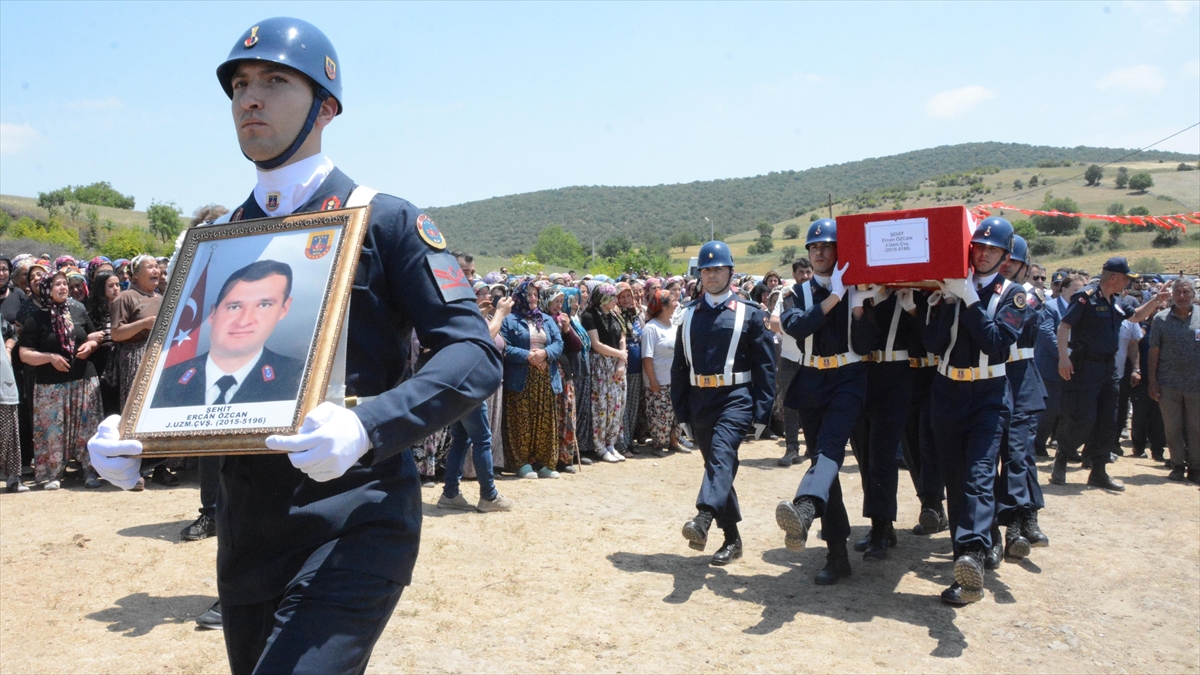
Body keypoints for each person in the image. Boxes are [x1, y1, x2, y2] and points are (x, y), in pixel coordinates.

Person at [88, 18, 502, 674]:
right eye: (241, 84)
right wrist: (135, 433)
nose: (250, 97)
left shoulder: (384, 220)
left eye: (276, 81)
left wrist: (368, 425)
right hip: (249, 533)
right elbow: (190, 368)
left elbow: (475, 354)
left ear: (326, 106)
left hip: (354, 518)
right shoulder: (217, 237)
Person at [923, 216, 1029, 605]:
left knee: (979, 476)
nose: (982, 254)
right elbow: (933, 346)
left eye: (992, 250)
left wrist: (967, 299)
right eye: (978, 247)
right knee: (954, 482)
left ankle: (972, 553)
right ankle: (965, 569)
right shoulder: (952, 288)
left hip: (988, 393)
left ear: (1005, 257)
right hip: (947, 390)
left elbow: (996, 342)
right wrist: (936, 305)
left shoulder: (1015, 295)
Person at [774, 220, 874, 583]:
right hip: (813, 379)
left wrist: (859, 306)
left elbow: (865, 344)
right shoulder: (794, 293)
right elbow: (797, 328)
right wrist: (835, 297)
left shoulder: (857, 290)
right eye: (813, 247)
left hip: (848, 376)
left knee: (829, 451)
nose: (818, 252)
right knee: (824, 466)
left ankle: (803, 509)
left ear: (838, 252)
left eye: (826, 246)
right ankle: (836, 554)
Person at [674, 240, 775, 566]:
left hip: (736, 398)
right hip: (700, 399)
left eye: (718, 268)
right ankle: (732, 539)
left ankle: (702, 518)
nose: (711, 274)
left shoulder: (749, 313)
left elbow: (765, 366)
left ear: (731, 272)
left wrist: (762, 411)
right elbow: (679, 367)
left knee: (721, 456)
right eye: (706, 269)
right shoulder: (688, 315)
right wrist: (681, 412)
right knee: (717, 467)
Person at [150, 260, 304, 408]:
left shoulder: (298, 376)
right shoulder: (165, 380)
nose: (244, 321)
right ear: (212, 314)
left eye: (264, 305)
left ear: (284, 309)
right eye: (234, 307)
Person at [1051, 258, 1140, 492]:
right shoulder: (1085, 296)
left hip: (1108, 369)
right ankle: (1062, 458)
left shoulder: (1116, 301)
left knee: (1107, 421)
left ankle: (1098, 471)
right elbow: (1064, 326)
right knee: (1082, 417)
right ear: (1113, 277)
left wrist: (1159, 301)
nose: (1127, 283)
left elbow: (1137, 317)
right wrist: (1063, 357)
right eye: (1125, 278)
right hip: (1086, 367)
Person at [17, 271, 104, 489]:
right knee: (52, 431)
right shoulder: (36, 318)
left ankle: (90, 471)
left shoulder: (78, 309)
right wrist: (50, 358)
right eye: (57, 284)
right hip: (50, 385)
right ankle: (54, 473)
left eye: (65, 283)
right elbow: (24, 353)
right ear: (47, 288)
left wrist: (91, 345)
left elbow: (94, 335)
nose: (63, 288)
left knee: (87, 427)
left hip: (84, 380)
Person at [993, 235, 1049, 563]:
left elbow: (1016, 322)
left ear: (1025, 267)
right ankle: (1011, 523)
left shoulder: (1030, 297)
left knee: (1019, 454)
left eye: (1012, 262)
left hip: (1021, 379)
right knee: (993, 458)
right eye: (1003, 260)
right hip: (994, 377)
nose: (1006, 267)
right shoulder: (985, 292)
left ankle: (1021, 520)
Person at [500, 279, 564, 479]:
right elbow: (505, 347)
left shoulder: (546, 319)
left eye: (535, 294)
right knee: (521, 421)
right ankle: (521, 463)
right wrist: (529, 356)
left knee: (544, 420)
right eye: (528, 294)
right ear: (519, 296)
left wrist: (544, 354)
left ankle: (545, 463)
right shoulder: (509, 320)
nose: (533, 298)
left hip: (545, 377)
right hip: (521, 379)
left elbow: (558, 343)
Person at [1148, 277, 1200, 483]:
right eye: (1178, 292)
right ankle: (1177, 464)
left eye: (1186, 292)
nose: (1182, 296)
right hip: (1168, 383)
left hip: (1196, 384)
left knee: (1196, 428)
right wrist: (1152, 380)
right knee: (1173, 427)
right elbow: (1154, 351)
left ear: (1193, 294)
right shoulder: (1160, 319)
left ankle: (1196, 467)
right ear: (1172, 295)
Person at [1035, 272, 1085, 457]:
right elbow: (1046, 333)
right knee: (1050, 409)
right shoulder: (1050, 307)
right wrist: (1064, 355)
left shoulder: (1081, 309)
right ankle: (1038, 443)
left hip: (1074, 367)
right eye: (1076, 290)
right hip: (1051, 367)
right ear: (1063, 289)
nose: (1080, 294)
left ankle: (1066, 448)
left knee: (1070, 410)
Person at [769, 259, 811, 466]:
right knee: (790, 404)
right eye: (801, 272)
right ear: (794, 275)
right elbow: (773, 323)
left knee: (814, 403)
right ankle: (792, 447)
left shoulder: (818, 292)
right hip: (789, 357)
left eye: (808, 271)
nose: (805, 276)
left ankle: (814, 445)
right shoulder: (787, 295)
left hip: (813, 357)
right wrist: (800, 326)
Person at [581, 283, 627, 462]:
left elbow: (622, 336)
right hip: (601, 364)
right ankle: (599, 446)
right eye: (613, 297)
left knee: (617, 404)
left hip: (617, 363)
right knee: (602, 405)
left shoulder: (615, 314)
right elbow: (596, 344)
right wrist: (619, 354)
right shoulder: (589, 316)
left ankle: (611, 443)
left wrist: (621, 361)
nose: (616, 300)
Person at [110, 255, 162, 409]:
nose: (156, 271)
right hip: (136, 358)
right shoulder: (125, 298)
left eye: (156, 266)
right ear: (136, 275)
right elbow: (116, 334)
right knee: (137, 407)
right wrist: (144, 324)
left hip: (159, 356)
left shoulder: (161, 298)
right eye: (150, 267)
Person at [543, 284, 582, 473]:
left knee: (567, 415)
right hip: (550, 372)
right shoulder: (542, 320)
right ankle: (550, 458)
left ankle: (565, 458)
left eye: (561, 301)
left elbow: (577, 345)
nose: (558, 305)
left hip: (565, 373)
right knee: (553, 416)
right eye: (555, 302)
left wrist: (567, 329)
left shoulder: (564, 319)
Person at [641, 288, 682, 456]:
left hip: (675, 378)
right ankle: (658, 445)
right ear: (663, 306)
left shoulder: (674, 325)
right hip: (660, 380)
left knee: (676, 414)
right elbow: (647, 357)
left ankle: (674, 441)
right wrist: (653, 380)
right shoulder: (652, 328)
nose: (676, 304)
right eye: (673, 301)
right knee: (660, 415)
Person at [615, 282, 645, 454]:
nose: (626, 300)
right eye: (623, 296)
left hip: (637, 366)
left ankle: (630, 440)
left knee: (633, 406)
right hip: (622, 367)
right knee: (623, 407)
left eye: (629, 296)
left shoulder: (636, 315)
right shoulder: (616, 315)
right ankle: (622, 443)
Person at [1, 313, 23, 492]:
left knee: (9, 434)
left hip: (3, 382)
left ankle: (14, 479)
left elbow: (12, 332)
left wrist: (8, 349)